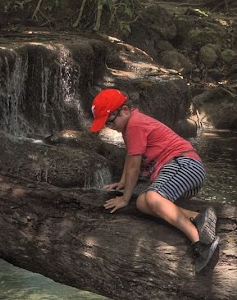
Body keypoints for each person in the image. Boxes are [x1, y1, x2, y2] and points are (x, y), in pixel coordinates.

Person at [90, 88, 220, 272]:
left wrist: (125, 199)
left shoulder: (135, 125)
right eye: (107, 125)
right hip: (183, 171)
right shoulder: (130, 126)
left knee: (151, 197)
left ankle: (200, 242)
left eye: (111, 122)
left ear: (125, 110)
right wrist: (123, 181)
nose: (111, 127)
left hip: (185, 165)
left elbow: (135, 166)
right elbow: (130, 157)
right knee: (143, 203)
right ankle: (198, 217)